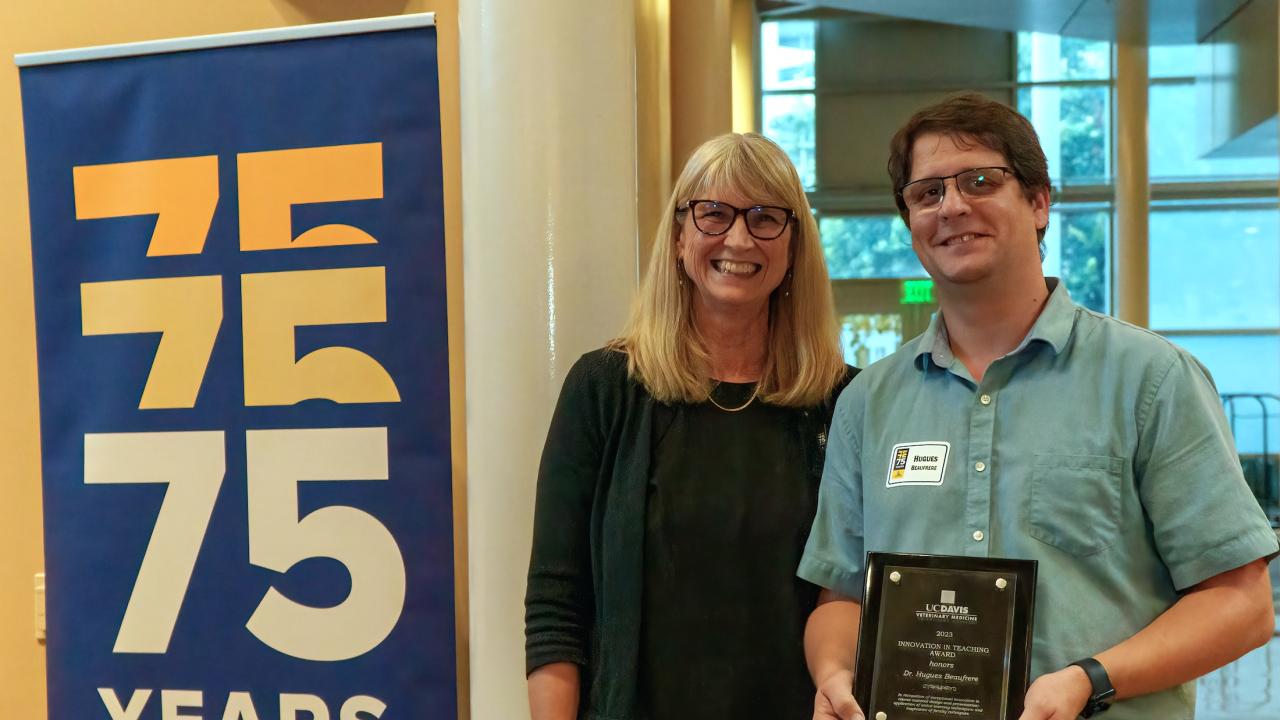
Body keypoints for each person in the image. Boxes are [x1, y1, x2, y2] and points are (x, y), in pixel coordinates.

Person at [799, 93, 1279, 720]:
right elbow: (839, 596)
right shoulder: (868, 401)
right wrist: (835, 675)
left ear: (1039, 202)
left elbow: (1243, 606)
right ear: (910, 221)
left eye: (980, 181)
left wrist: (1091, 679)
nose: (953, 207)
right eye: (927, 194)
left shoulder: (1150, 380)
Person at [524, 132, 855, 719]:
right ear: (679, 237)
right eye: (713, 214)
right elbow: (557, 600)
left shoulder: (843, 402)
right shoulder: (604, 388)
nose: (738, 238)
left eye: (764, 218)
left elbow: (853, 591)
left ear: (794, 248)